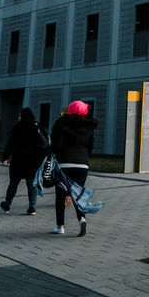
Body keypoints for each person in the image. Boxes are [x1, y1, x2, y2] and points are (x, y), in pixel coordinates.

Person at [50, 100, 96, 237]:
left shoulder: (62, 124)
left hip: (65, 164)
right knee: (78, 195)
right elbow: (90, 147)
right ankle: (82, 219)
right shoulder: (89, 127)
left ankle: (60, 226)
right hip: (82, 164)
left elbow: (56, 145)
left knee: (60, 195)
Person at [0, 108, 47, 215]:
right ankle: (32, 207)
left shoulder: (18, 128)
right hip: (33, 162)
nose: (18, 117)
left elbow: (11, 144)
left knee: (13, 183)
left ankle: (7, 205)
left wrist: (5, 157)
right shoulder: (37, 127)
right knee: (31, 184)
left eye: (19, 115)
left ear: (22, 116)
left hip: (18, 161)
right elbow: (43, 145)